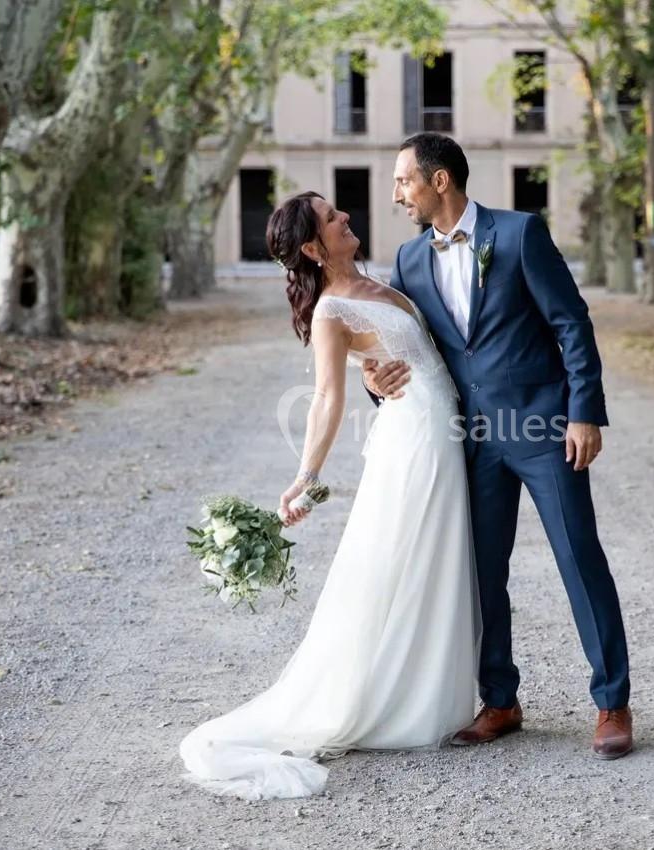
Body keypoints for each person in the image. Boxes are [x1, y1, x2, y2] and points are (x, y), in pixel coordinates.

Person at [178, 191, 480, 800]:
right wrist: (305, 476)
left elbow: (418, 350)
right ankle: (390, 701)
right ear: (315, 248)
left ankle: (425, 692)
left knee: (432, 563)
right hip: (414, 441)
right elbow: (324, 397)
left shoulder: (387, 280)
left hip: (441, 429)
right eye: (333, 218)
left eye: (341, 210)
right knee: (404, 563)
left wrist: (377, 370)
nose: (347, 218)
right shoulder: (330, 312)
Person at [364, 132, 632, 759]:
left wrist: (584, 412)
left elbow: (571, 323)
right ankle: (501, 699)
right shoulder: (408, 261)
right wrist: (379, 383)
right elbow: (415, 353)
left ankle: (612, 701)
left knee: (579, 559)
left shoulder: (517, 235)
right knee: (482, 573)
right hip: (471, 440)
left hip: (543, 429)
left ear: (439, 182)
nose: (397, 193)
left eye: (404, 180)